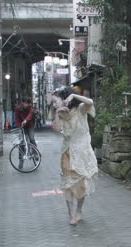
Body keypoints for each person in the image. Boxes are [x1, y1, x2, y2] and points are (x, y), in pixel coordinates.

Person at [51, 87, 98, 225]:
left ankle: (79, 210)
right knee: (68, 184)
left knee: (81, 184)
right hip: (67, 152)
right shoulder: (60, 113)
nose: (54, 104)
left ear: (65, 98)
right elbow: (57, 130)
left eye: (55, 102)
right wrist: (57, 113)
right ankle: (71, 215)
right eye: (53, 103)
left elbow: (90, 102)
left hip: (82, 152)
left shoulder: (81, 109)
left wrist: (74, 95)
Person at [15, 98, 37, 169]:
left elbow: (30, 114)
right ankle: (21, 160)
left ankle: (35, 153)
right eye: (24, 103)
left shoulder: (31, 108)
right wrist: (19, 126)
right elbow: (17, 118)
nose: (26, 105)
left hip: (30, 126)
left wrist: (25, 120)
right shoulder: (18, 108)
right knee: (21, 142)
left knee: (31, 138)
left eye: (28, 104)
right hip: (22, 126)